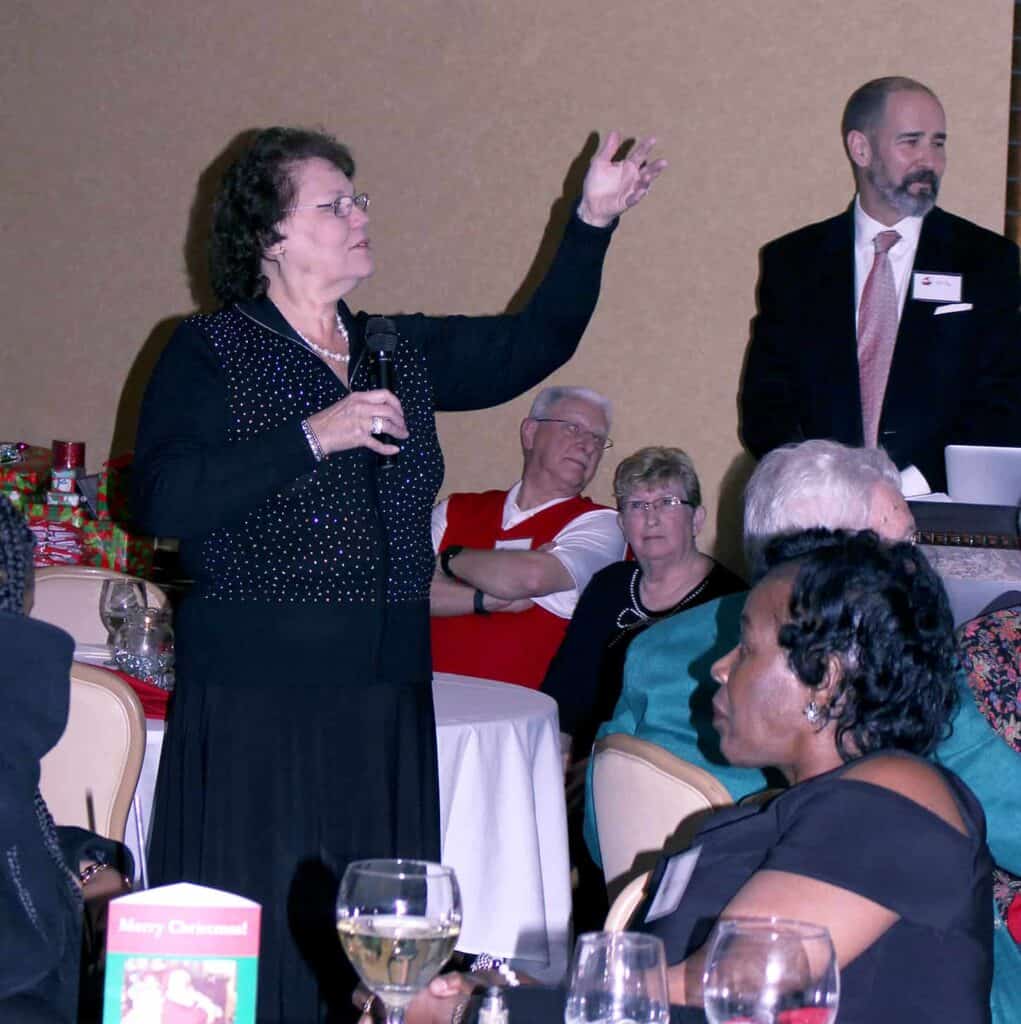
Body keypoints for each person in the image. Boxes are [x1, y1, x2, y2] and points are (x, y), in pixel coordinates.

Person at [133, 125, 665, 1022]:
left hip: (383, 690)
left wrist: (591, 220)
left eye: (359, 198)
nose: (358, 214)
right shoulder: (211, 349)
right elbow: (163, 500)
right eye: (333, 203)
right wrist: (315, 435)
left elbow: (532, 343)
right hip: (263, 695)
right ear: (271, 235)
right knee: (264, 933)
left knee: (380, 944)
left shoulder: (391, 346)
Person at [637, 530, 992, 1022]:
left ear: (823, 679)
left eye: (744, 646)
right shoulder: (764, 815)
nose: (719, 668)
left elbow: (740, 982)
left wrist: (591, 981)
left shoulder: (894, 796)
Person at [740, 76, 1021, 493]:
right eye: (911, 142)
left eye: (938, 143)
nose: (929, 160)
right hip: (821, 512)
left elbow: (1004, 400)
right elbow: (767, 404)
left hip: (938, 508)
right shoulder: (794, 262)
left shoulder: (986, 261)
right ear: (860, 148)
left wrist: (907, 487)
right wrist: (820, 488)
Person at [543, 446, 743, 759]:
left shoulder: (729, 601)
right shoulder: (608, 587)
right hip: (591, 763)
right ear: (623, 524)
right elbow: (567, 692)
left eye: (667, 503)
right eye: (637, 506)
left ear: (697, 520)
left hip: (684, 767)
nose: (651, 519)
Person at [430, 386, 623, 688]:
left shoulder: (603, 524)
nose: (587, 445)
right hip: (430, 710)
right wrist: (487, 599)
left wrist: (448, 560)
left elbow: (531, 578)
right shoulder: (455, 509)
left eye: (598, 440)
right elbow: (408, 597)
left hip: (521, 724)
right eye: (573, 428)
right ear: (530, 433)